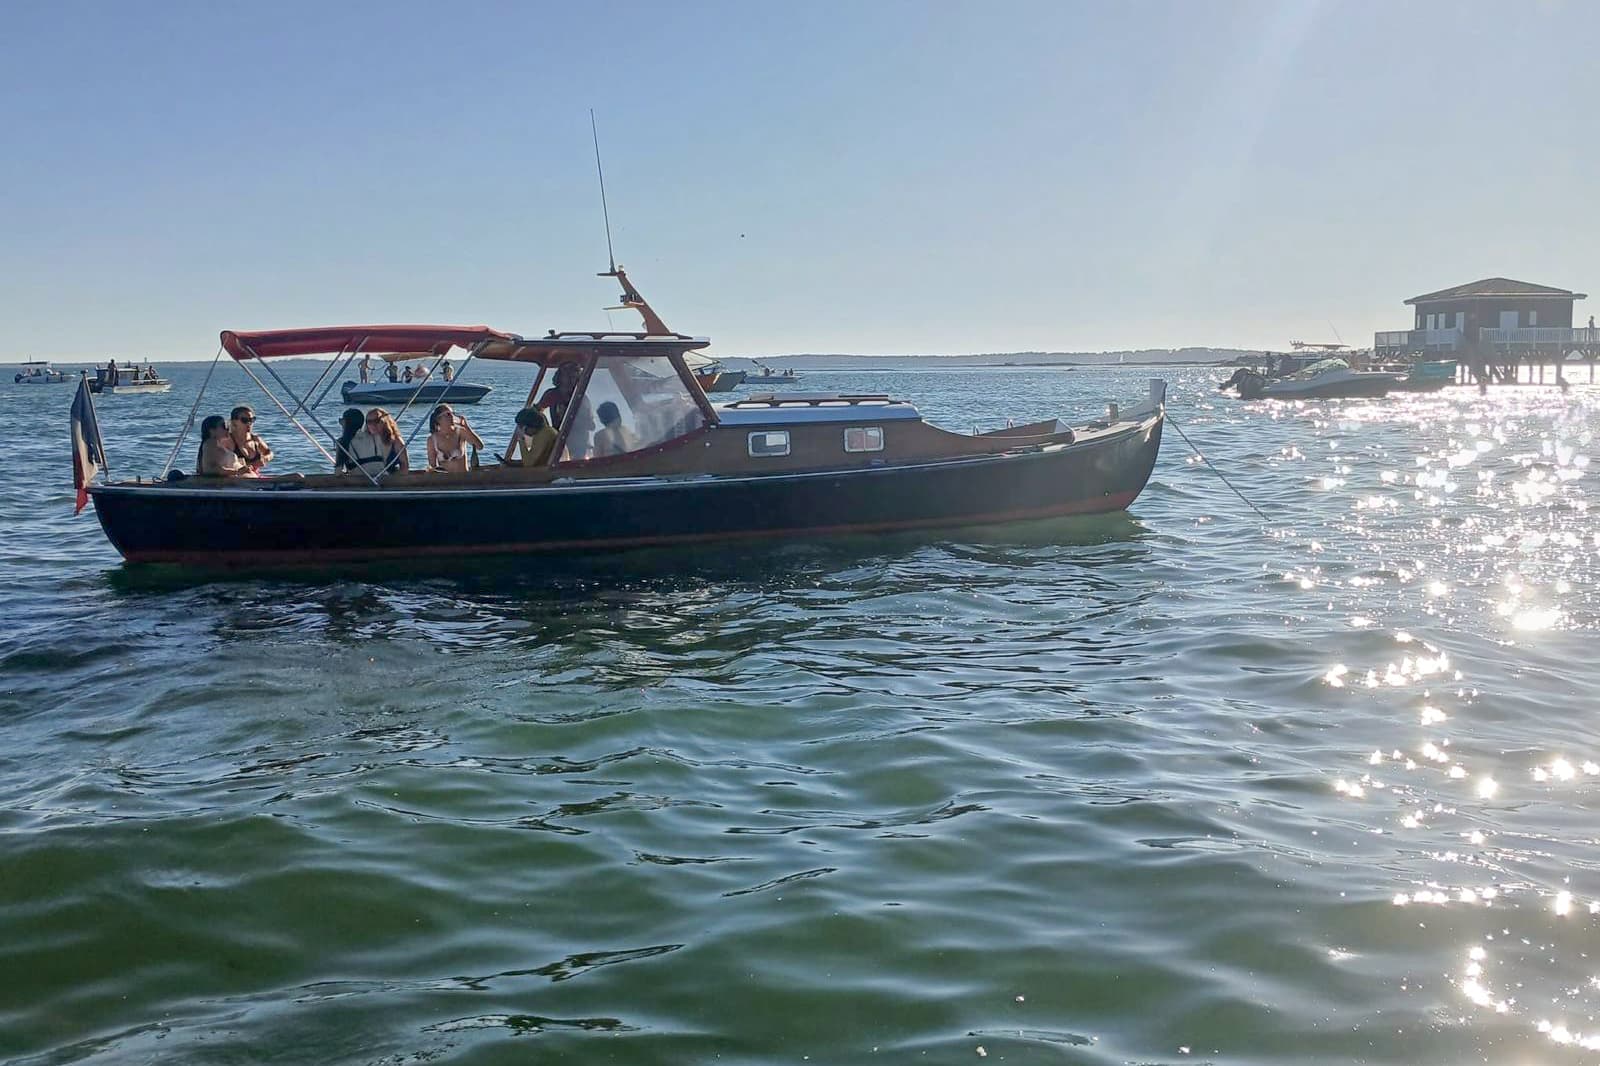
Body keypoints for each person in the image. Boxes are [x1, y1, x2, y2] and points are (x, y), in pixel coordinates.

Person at [427, 404, 484, 473]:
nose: (452, 416)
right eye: (448, 414)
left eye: (453, 413)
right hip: (445, 478)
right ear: (438, 419)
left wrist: (467, 428)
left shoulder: (461, 432)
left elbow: (480, 446)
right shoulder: (432, 440)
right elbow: (432, 466)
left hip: (464, 476)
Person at [228, 405, 273, 473]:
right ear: (234, 422)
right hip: (237, 477)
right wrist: (250, 465)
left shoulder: (255, 439)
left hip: (255, 476)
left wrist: (265, 458)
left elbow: (269, 453)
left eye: (252, 420)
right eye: (245, 420)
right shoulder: (229, 441)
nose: (249, 423)